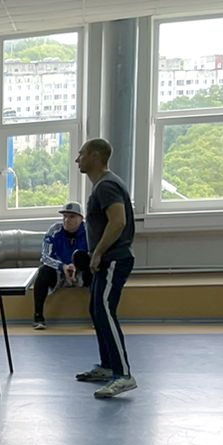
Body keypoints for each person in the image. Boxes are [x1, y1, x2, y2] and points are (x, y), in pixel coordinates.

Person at [75, 139, 137, 399]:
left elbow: (118, 221)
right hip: (104, 260)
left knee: (105, 311)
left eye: (81, 154)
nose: (77, 159)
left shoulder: (107, 185)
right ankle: (108, 366)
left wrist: (99, 251)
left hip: (114, 259)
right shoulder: (102, 185)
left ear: (95, 156)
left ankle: (123, 375)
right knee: (97, 310)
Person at [32, 203, 88, 329]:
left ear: (81, 218)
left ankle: (97, 316)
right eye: (65, 216)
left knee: (98, 273)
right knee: (43, 271)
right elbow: (45, 257)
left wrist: (76, 267)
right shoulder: (54, 230)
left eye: (72, 217)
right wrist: (62, 266)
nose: (67, 220)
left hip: (81, 271)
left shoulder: (89, 231)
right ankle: (38, 317)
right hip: (59, 272)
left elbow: (94, 254)